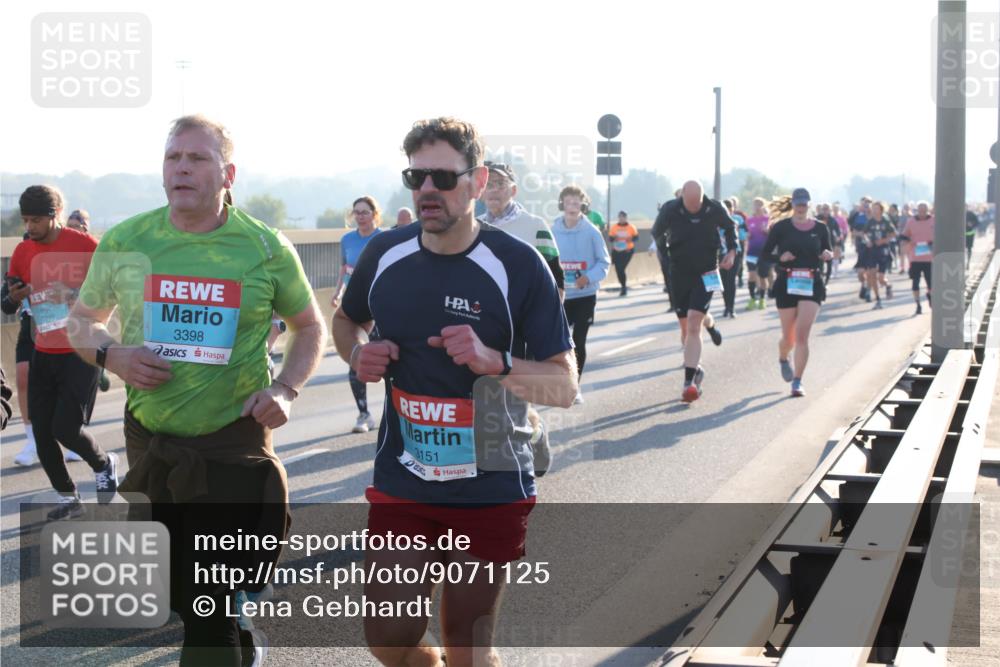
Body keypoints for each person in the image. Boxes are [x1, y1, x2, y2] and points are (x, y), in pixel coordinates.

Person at [68, 115, 327, 667]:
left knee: (204, 609)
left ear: (227, 173)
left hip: (232, 445)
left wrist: (285, 388)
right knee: (178, 594)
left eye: (197, 158)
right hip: (153, 445)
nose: (181, 167)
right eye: (172, 157)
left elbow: (309, 326)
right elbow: (80, 321)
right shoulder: (127, 240)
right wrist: (112, 354)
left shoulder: (262, 246)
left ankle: (227, 626)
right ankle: (237, 624)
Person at [332, 116, 576, 667]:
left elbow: (563, 385)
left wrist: (496, 362)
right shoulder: (386, 254)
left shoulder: (518, 265)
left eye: (443, 178)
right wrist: (356, 352)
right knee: (388, 637)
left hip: (490, 480)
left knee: (468, 645)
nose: (427, 191)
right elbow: (345, 320)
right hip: (406, 476)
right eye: (415, 178)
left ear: (477, 179)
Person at [7, 185, 116, 519]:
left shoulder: (87, 246)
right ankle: (69, 498)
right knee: (41, 431)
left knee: (65, 428)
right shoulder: (22, 252)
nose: (29, 227)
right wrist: (15, 295)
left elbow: (111, 292)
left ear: (53, 216)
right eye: (25, 220)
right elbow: (5, 300)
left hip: (80, 349)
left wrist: (71, 293)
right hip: (43, 350)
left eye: (36, 220)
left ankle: (103, 463)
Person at [479, 160, 564, 473]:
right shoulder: (470, 228)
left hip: (521, 328)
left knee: (514, 397)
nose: (493, 190)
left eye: (500, 184)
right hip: (480, 326)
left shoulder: (534, 226)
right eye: (488, 184)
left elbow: (556, 280)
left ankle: (534, 440)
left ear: (513, 190)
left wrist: (547, 328)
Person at [652, 180, 736, 402]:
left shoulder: (715, 208)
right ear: (683, 199)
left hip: (707, 271)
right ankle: (706, 338)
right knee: (687, 326)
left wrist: (732, 251)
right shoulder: (671, 209)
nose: (693, 208)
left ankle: (688, 382)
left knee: (692, 322)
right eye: (689, 204)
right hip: (679, 273)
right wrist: (665, 255)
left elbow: (730, 227)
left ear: (701, 198)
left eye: (696, 203)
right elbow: (656, 232)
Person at [760, 189, 833, 397]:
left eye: (804, 203)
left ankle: (798, 381)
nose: (801, 207)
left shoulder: (820, 228)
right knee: (789, 338)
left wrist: (827, 255)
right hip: (786, 282)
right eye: (798, 203)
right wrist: (780, 258)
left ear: (809, 204)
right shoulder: (780, 228)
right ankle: (784, 358)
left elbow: (826, 251)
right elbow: (766, 254)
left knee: (802, 335)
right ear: (793, 204)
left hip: (811, 283)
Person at [552, 184, 610, 404]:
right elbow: (545, 259)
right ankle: (559, 383)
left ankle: (574, 387)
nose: (572, 206)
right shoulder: (553, 230)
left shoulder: (591, 232)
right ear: (562, 204)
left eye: (577, 202)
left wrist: (588, 277)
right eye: (569, 202)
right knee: (560, 342)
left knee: (579, 340)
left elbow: (604, 262)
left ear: (582, 205)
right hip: (561, 296)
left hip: (585, 295)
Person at [331, 196, 383, 433]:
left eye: (365, 212)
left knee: (391, 362)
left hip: (381, 307)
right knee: (357, 360)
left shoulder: (384, 239)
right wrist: (338, 292)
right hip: (355, 309)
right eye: (356, 212)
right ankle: (363, 414)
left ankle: (397, 412)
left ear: (374, 214)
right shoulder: (347, 239)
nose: (360, 216)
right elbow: (345, 269)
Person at [2, 241, 40, 466]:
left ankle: (72, 433)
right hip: (29, 326)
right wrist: (15, 296)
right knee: (23, 378)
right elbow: (6, 306)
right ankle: (32, 441)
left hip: (63, 329)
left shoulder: (63, 257)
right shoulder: (19, 260)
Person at [901, 201, 935, 314]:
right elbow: (904, 236)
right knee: (915, 282)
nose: (922, 213)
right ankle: (918, 304)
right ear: (917, 210)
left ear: (928, 210)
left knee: (931, 283)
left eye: (924, 210)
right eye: (920, 210)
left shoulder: (934, 220)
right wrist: (909, 242)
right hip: (915, 258)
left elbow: (941, 235)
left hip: (929, 258)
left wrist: (933, 243)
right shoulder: (911, 221)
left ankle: (930, 296)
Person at [862, 201, 897, 309]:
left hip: (883, 250)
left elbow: (894, 234)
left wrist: (884, 240)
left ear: (881, 210)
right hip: (872, 250)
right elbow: (864, 233)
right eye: (873, 208)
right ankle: (878, 299)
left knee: (881, 278)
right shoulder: (870, 221)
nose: (874, 210)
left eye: (876, 208)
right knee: (872, 275)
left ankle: (888, 285)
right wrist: (867, 240)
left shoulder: (885, 221)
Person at [744, 197, 771, 310]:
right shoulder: (749, 220)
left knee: (763, 277)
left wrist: (767, 231)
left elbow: (773, 235)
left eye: (759, 204)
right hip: (751, 252)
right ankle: (752, 299)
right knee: (752, 276)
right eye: (755, 204)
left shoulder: (768, 219)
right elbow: (747, 234)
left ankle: (762, 299)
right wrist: (748, 237)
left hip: (764, 252)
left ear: (764, 206)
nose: (757, 207)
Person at [719, 199, 742, 317]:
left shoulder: (737, 220)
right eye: (726, 208)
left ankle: (731, 307)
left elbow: (742, 236)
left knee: (731, 280)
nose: (728, 210)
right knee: (722, 281)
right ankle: (726, 306)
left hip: (734, 253)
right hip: (720, 254)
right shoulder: (716, 220)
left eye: (730, 207)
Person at [608, 210, 639, 296]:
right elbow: (610, 239)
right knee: (618, 269)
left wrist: (630, 239)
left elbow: (636, 238)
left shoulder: (631, 227)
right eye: (620, 217)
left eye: (623, 217)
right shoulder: (614, 227)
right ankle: (623, 286)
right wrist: (615, 237)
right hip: (617, 251)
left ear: (626, 218)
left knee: (621, 268)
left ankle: (624, 287)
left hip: (627, 250)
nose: (621, 219)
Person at [848, 196, 873, 299]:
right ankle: (864, 285)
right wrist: (860, 235)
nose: (866, 205)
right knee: (860, 272)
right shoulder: (856, 216)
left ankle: (868, 290)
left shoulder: (874, 215)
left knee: (871, 271)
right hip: (861, 247)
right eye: (864, 203)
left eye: (868, 203)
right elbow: (852, 230)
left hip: (872, 247)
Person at [816, 203, 843, 284]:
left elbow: (838, 230)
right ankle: (820, 279)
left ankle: (826, 282)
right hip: (819, 245)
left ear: (830, 210)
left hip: (830, 243)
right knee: (820, 264)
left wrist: (838, 237)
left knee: (829, 264)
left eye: (827, 209)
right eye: (824, 209)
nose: (825, 211)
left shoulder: (832, 220)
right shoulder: (816, 219)